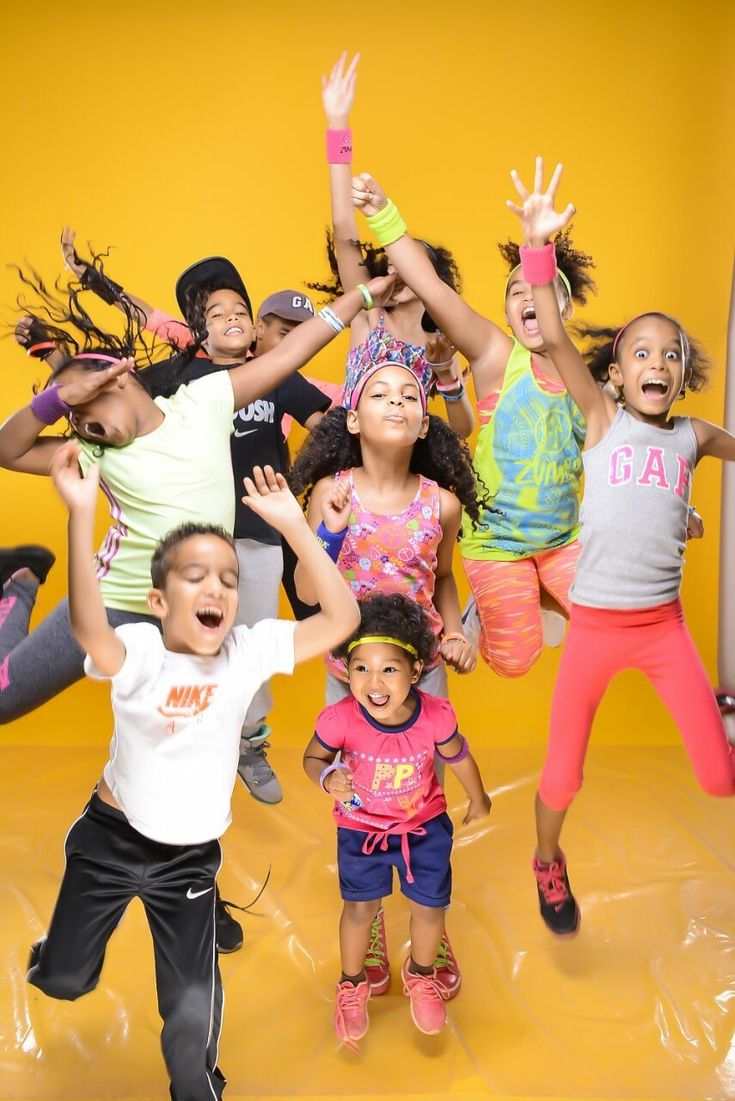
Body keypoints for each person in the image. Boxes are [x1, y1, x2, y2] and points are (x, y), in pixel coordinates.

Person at [0, 266, 393, 948]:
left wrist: (360, 297)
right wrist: (53, 403)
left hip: (190, 625)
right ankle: (22, 584)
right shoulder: (93, 447)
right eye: (79, 421)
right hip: (114, 607)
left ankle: (195, 895)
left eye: (93, 409)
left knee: (189, 761)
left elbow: (287, 355)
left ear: (122, 379)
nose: (89, 428)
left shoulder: (204, 399)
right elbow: (5, 450)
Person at [28, 449, 360, 1101]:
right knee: (64, 980)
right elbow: (90, 631)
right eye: (194, 575)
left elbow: (342, 620)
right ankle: (63, 950)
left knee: (189, 1034)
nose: (216, 588)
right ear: (158, 598)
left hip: (188, 861)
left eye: (228, 579)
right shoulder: (143, 652)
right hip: (109, 844)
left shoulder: (245, 650)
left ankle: (198, 1061)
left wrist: (296, 527)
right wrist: (81, 511)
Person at [505, 157, 735, 936]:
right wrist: (539, 248)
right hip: (597, 627)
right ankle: (545, 861)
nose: (657, 363)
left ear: (683, 375)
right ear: (615, 369)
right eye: (640, 350)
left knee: (716, 776)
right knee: (562, 775)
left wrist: (683, 515)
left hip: (662, 627)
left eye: (670, 354)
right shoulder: (600, 417)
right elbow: (557, 335)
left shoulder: (695, 436)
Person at [57, 237, 333, 804]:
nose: (230, 319)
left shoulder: (272, 373)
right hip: (187, 541)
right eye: (213, 311)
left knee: (252, 642)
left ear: (255, 330)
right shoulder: (183, 371)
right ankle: (158, 755)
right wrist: (92, 281)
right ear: (199, 327)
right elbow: (140, 327)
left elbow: (331, 422)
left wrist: (310, 482)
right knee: (172, 654)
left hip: (257, 533)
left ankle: (248, 743)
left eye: (240, 311)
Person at [349, 168, 598, 675]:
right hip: (497, 544)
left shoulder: (587, 382)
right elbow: (430, 288)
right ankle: (498, 604)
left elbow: (623, 448)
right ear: (506, 313)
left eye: (542, 289)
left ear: (564, 306)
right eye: (515, 292)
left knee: (609, 618)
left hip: (561, 540)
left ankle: (541, 595)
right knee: (512, 664)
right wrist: (381, 212)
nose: (529, 298)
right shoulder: (492, 355)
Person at [289, 347, 480, 998]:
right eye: (380, 392)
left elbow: (446, 578)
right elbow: (307, 593)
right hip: (348, 668)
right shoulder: (328, 492)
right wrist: (333, 535)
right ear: (350, 418)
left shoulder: (442, 503)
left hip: (420, 668)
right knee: (359, 796)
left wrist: (454, 630)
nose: (397, 400)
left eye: (409, 393)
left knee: (421, 796)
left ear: (425, 422)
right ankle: (366, 917)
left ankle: (428, 917)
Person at [303, 593, 490, 1049]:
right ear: (347, 672)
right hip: (360, 830)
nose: (374, 681)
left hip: (421, 827)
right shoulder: (340, 718)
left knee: (429, 908)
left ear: (415, 671)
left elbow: (457, 755)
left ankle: (421, 974)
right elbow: (313, 758)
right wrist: (328, 776)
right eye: (361, 668)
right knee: (359, 910)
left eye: (389, 668)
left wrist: (479, 797)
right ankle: (351, 984)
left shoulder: (436, 714)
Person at [316, 52, 475, 440]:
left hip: (404, 468)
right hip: (349, 462)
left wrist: (446, 376)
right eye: (390, 263)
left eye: (409, 263)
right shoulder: (366, 315)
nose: (396, 270)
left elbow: (463, 429)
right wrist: (338, 125)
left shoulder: (439, 345)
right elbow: (343, 229)